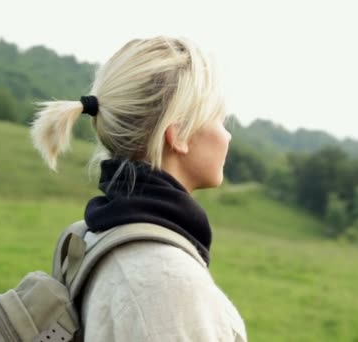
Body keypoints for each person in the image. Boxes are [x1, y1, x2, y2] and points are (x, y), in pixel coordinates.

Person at [30, 36, 247, 341]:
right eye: (220, 120)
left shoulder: (93, 236)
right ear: (179, 134)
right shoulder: (168, 283)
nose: (227, 137)